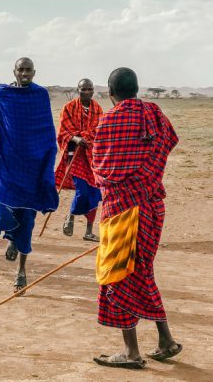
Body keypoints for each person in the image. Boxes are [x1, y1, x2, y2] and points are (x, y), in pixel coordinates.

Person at [92, 68, 181, 369]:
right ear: (138, 88)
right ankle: (166, 340)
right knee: (142, 272)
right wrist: (146, 175)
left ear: (110, 93)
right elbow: (170, 140)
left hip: (120, 210)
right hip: (152, 208)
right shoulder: (153, 113)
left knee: (117, 277)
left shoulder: (108, 121)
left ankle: (131, 353)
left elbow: (100, 168)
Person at [0, 57, 59, 293]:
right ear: (14, 71)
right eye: (21, 69)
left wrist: (47, 158)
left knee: (27, 220)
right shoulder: (2, 94)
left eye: (29, 70)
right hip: (7, 164)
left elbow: (46, 129)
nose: (25, 73)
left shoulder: (40, 96)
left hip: (32, 167)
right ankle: (11, 238)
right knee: (5, 212)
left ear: (34, 72)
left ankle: (21, 270)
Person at [55, 78, 103, 242]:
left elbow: (99, 131)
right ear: (78, 90)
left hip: (93, 156)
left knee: (95, 194)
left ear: (93, 90)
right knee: (82, 190)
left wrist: (87, 139)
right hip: (75, 156)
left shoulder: (98, 108)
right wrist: (76, 139)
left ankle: (89, 231)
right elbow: (63, 132)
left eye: (90, 89)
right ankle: (71, 216)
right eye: (84, 89)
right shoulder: (68, 108)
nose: (87, 92)